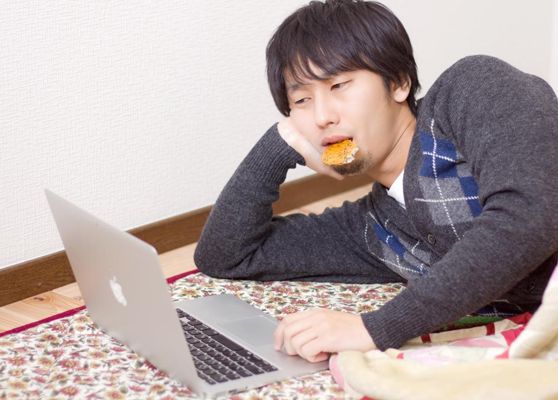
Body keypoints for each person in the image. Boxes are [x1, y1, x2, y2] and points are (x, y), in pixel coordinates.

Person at [194, 0, 558, 363]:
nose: (322, 117)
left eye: (339, 85)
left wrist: (375, 328)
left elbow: (532, 215)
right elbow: (227, 256)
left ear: (398, 82)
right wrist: (276, 147)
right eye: (301, 100)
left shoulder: (473, 88)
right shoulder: (373, 229)